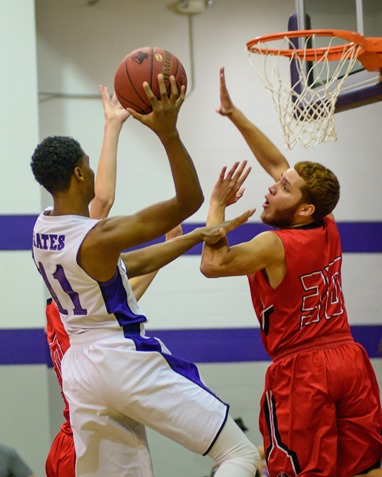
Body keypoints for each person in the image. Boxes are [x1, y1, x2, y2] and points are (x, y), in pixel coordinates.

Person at [31, 73, 259, 477]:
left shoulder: (41, 231)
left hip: (81, 375)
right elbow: (187, 199)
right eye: (87, 166)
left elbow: (125, 266)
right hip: (120, 357)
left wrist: (192, 240)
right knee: (240, 455)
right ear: (80, 175)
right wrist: (169, 133)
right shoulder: (100, 236)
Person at [200, 67, 382, 477]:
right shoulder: (326, 224)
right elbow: (277, 162)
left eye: (282, 188)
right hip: (350, 359)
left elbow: (212, 264)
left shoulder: (273, 245)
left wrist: (216, 204)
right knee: (367, 469)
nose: (271, 187)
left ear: (303, 209)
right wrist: (234, 114)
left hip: (303, 370)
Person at [44, 84, 183, 477]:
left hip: (68, 442)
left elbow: (121, 290)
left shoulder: (60, 311)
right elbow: (100, 204)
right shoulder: (80, 321)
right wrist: (112, 126)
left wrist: (164, 255)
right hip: (91, 446)